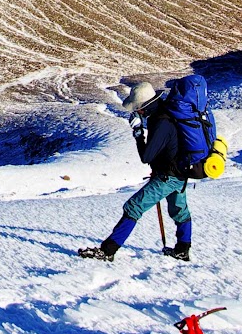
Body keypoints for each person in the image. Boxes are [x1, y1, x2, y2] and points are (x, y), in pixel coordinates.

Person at [77, 81, 194, 262]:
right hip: (179, 173)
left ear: (143, 107)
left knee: (134, 207)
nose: (136, 112)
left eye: (137, 109)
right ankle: (182, 250)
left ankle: (108, 251)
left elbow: (146, 156)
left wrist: (138, 132)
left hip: (167, 176)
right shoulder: (165, 114)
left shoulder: (160, 122)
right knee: (180, 211)